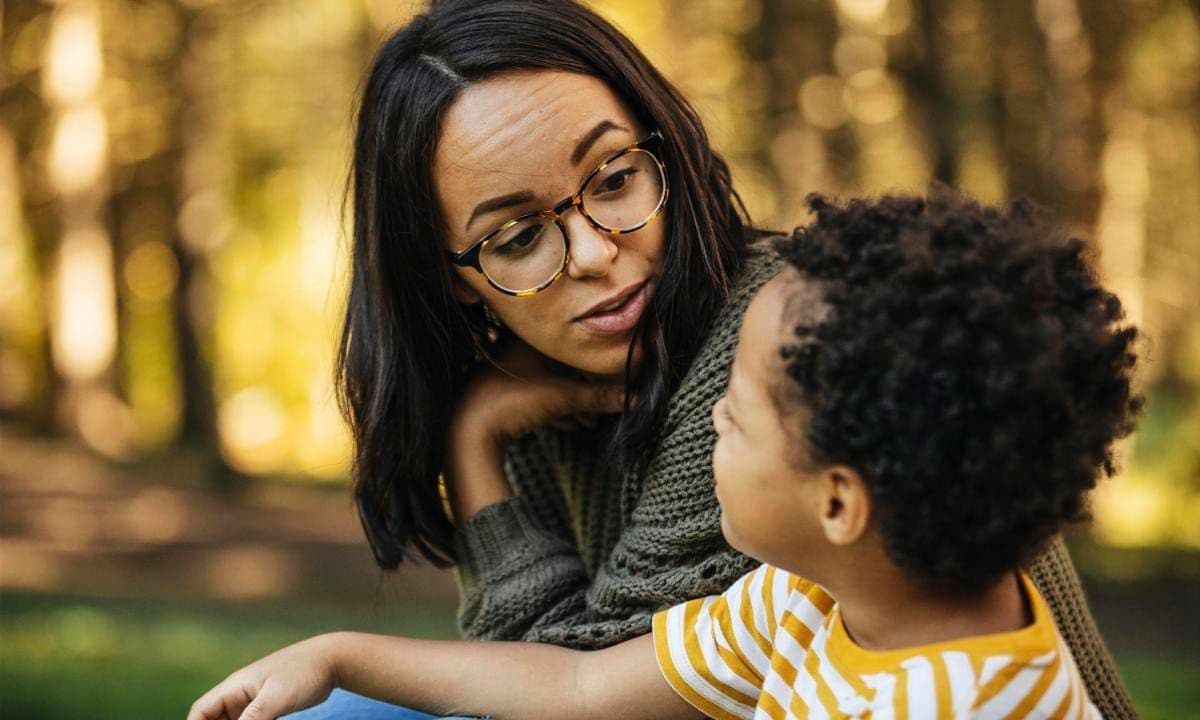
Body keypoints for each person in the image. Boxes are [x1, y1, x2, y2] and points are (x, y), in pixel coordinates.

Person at [293, 0, 1135, 716]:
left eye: (615, 179)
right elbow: (571, 684)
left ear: (666, 149)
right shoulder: (789, 603)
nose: (591, 251)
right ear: (450, 281)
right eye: (516, 236)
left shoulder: (782, 356)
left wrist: (473, 448)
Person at [188, 190, 1141, 720]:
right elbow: (584, 683)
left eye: (731, 417)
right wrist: (337, 654)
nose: (704, 423)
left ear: (841, 502)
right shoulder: (814, 594)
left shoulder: (959, 706)